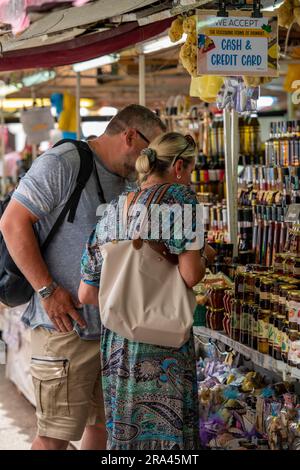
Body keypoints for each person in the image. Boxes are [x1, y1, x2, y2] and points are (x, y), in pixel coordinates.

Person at [0, 104, 166, 450]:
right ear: (130, 136)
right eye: (151, 151)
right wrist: (47, 290)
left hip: (109, 330)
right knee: (54, 437)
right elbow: (12, 222)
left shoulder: (125, 180)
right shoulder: (64, 163)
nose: (151, 161)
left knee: (101, 427)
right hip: (65, 327)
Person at [79, 132, 215, 450]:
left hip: (118, 349)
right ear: (179, 166)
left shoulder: (113, 211)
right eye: (192, 169)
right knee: (166, 441)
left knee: (127, 438)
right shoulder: (181, 198)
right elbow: (191, 274)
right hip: (162, 341)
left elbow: (86, 293)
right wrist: (205, 255)